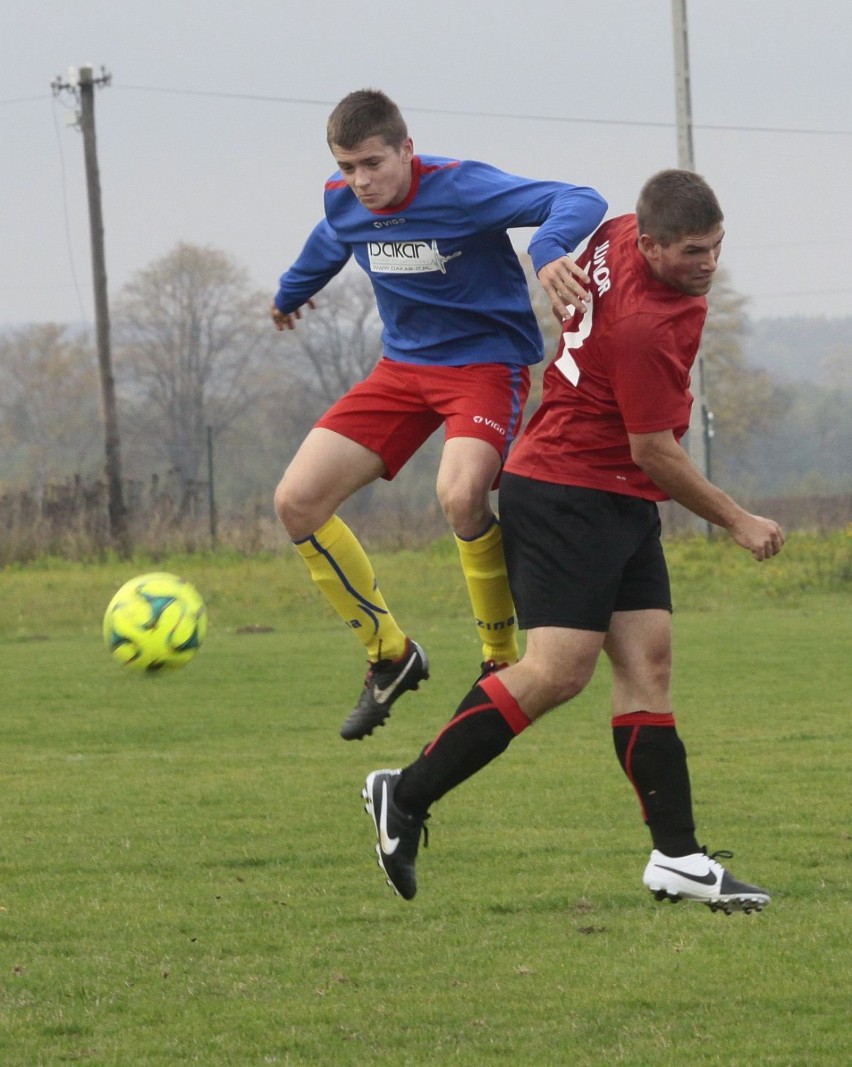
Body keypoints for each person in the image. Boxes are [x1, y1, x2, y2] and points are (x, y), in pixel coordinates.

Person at [362, 169, 785, 913]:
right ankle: (406, 791)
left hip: (615, 495)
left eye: (716, 246)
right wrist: (739, 520)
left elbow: (579, 210)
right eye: (692, 251)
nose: (709, 263)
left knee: (648, 663)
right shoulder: (647, 325)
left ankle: (677, 856)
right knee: (557, 672)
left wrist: (552, 246)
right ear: (649, 243)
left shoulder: (623, 230)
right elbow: (654, 448)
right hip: (568, 490)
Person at [271, 89, 607, 741]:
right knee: (296, 501)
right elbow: (332, 235)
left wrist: (547, 251)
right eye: (347, 168)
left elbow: (579, 197)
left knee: (459, 494)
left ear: (407, 150)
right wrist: (291, 291)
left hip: (486, 366)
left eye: (373, 163)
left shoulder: (463, 188)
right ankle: (390, 655)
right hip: (402, 371)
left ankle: (501, 657)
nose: (361, 182)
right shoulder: (345, 200)